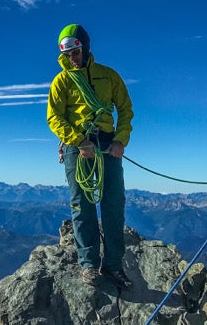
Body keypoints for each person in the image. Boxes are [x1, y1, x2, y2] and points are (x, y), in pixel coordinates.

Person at [47, 23, 134, 289]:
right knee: (82, 206)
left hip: (108, 145)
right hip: (78, 146)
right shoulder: (62, 81)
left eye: (76, 52)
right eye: (68, 54)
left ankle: (113, 266)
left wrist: (120, 140)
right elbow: (54, 117)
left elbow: (125, 109)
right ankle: (88, 265)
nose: (72, 58)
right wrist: (79, 141)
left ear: (85, 48)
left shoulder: (108, 76)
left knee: (113, 204)